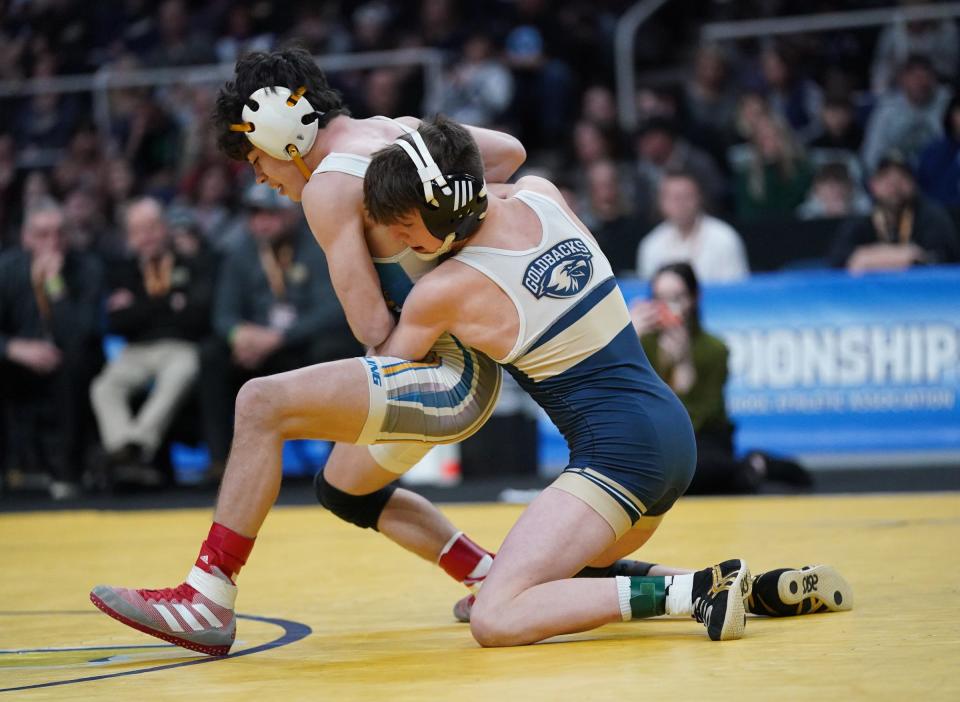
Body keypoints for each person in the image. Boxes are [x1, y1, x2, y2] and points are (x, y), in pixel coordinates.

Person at [199, 183, 358, 475]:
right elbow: (223, 314)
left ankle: (344, 461)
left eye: (270, 214)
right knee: (212, 355)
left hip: (301, 344)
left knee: (336, 348)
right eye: (255, 214)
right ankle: (221, 462)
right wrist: (240, 336)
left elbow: (332, 308)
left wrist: (280, 337)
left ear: (290, 214)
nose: (262, 221)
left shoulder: (316, 245)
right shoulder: (239, 252)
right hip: (256, 348)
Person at [631, 262, 813, 496]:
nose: (667, 307)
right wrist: (627, 337)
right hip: (656, 442)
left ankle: (754, 466)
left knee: (688, 470)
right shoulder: (641, 344)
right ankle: (744, 471)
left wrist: (684, 366)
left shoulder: (714, 349)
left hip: (703, 440)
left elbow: (701, 417)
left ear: (694, 298)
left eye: (676, 298)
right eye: (659, 298)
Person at [89, 197, 214, 486]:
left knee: (182, 371)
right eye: (138, 230)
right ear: (129, 236)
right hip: (135, 350)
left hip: (180, 347)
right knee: (104, 386)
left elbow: (197, 316)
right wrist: (170, 303)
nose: (146, 237)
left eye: (152, 227)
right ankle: (126, 448)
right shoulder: (121, 270)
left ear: (165, 228)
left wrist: (139, 306)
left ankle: (135, 445)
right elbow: (117, 323)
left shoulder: (190, 262)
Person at [0, 203, 103, 499]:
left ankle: (68, 474)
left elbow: (79, 335)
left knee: (73, 363)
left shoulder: (87, 268)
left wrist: (55, 285)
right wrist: (14, 348)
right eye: (42, 235)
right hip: (18, 360)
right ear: (26, 238)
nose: (52, 242)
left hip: (70, 360)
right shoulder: (7, 269)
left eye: (59, 234)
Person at [829, 152, 960, 272]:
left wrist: (868, 258)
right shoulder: (862, 219)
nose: (894, 184)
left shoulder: (932, 217)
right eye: (885, 177)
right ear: (872, 185)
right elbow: (839, 260)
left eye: (902, 177)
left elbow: (940, 258)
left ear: (913, 184)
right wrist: (906, 255)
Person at [637, 169, 748, 283]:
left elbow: (736, 290)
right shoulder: (651, 244)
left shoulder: (724, 238)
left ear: (699, 197)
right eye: (674, 198)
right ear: (661, 202)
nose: (680, 204)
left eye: (686, 196)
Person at [861, 55, 950, 174]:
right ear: (902, 79)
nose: (921, 83)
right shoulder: (887, 107)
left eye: (926, 77)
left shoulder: (947, 103)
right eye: (915, 77)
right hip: (896, 175)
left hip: (938, 175)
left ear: (934, 80)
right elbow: (871, 155)